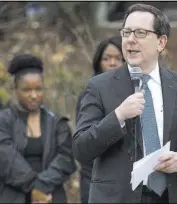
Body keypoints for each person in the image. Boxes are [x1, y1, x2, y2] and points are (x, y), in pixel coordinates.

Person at [73, 3, 177, 203]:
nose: (130, 40)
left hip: (169, 195)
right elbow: (81, 149)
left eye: (140, 33)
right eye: (126, 32)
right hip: (118, 198)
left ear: (161, 42)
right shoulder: (99, 86)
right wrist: (118, 115)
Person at [0, 54, 77, 203]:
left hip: (50, 196)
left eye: (38, 89)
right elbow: (6, 162)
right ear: (15, 89)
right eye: (26, 90)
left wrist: (41, 188)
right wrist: (34, 189)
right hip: (11, 196)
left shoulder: (57, 122)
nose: (34, 95)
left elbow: (66, 159)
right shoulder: (1, 121)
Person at [76, 36, 124, 204]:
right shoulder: (89, 95)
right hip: (95, 178)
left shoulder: (137, 94)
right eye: (106, 58)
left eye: (118, 58)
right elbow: (83, 142)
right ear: (98, 63)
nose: (112, 63)